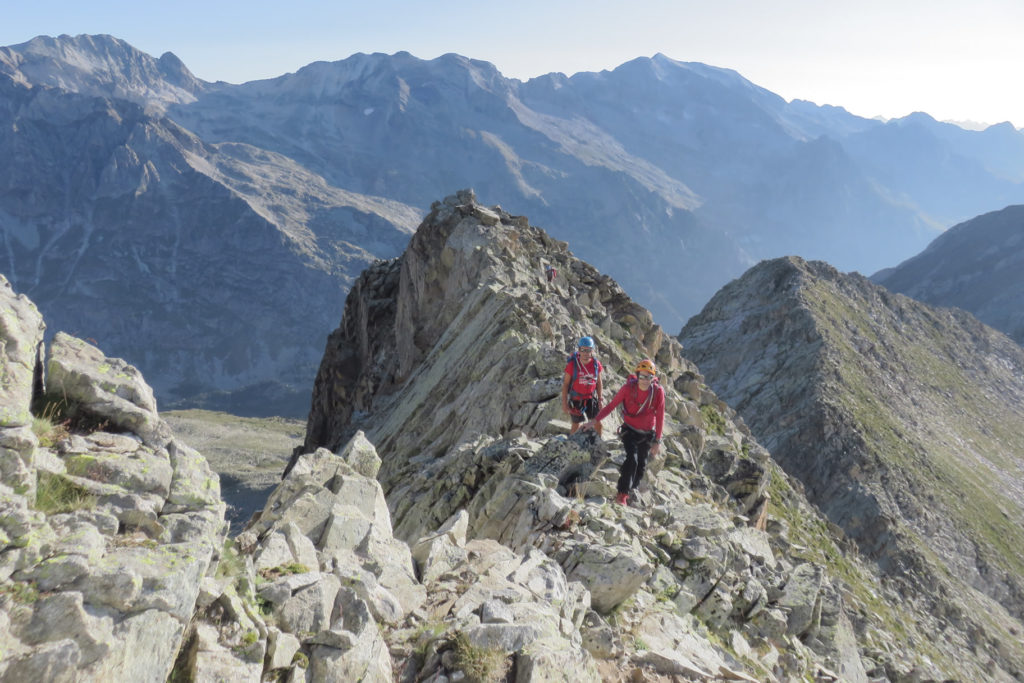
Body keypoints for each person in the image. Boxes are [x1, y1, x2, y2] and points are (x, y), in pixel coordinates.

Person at [583, 359, 664, 506]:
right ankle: (622, 494)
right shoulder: (628, 389)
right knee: (632, 460)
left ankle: (631, 489)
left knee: (641, 467)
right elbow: (611, 406)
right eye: (642, 376)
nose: (645, 380)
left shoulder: (658, 392)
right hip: (630, 431)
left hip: (646, 434)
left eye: (648, 377)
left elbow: (660, 416)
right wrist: (594, 421)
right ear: (637, 375)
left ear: (653, 378)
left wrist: (657, 441)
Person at [562, 336, 603, 436]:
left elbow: (599, 383)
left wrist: (600, 398)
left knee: (598, 424)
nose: (585, 353)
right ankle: (571, 446)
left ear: (592, 350)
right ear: (579, 350)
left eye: (588, 350)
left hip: (590, 398)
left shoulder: (596, 364)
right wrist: (564, 403)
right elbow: (566, 385)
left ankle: (598, 446)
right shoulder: (572, 365)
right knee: (576, 425)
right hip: (576, 399)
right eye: (583, 350)